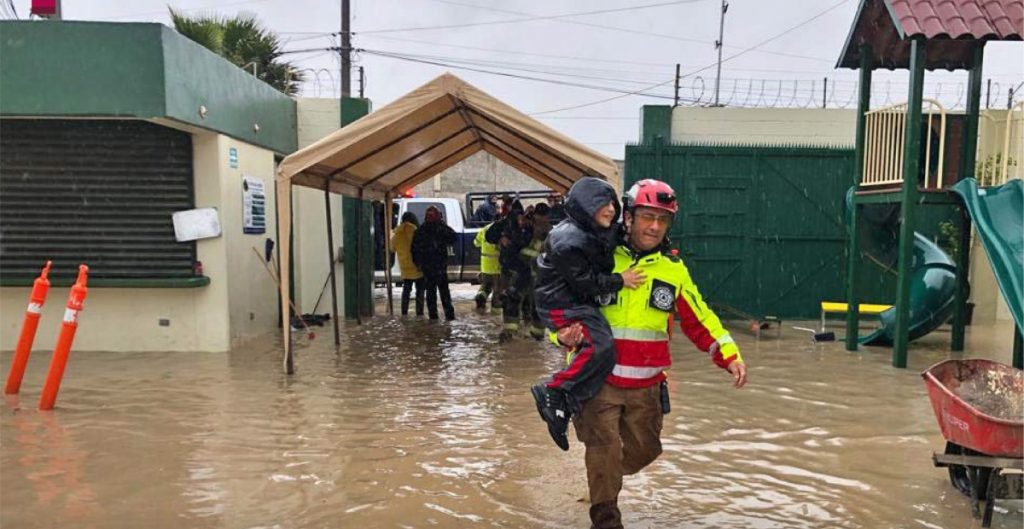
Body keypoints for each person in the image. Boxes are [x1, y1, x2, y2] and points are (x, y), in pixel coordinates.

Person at [555, 179, 748, 529]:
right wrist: (561, 335)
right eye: (647, 216)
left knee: (645, 451)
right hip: (596, 381)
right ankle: (605, 512)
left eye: (663, 219)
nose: (655, 226)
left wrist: (728, 353)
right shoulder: (597, 258)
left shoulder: (672, 270)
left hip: (646, 385)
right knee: (605, 448)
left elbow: (699, 318)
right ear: (627, 217)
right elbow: (560, 303)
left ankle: (604, 477)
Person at [530, 177, 646, 450]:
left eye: (612, 204)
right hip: (562, 303)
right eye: (602, 204)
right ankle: (556, 390)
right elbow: (586, 282)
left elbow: (611, 234)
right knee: (602, 346)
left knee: (603, 348)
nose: (610, 210)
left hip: (574, 301)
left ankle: (564, 401)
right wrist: (621, 279)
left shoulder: (592, 227)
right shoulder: (568, 241)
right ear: (585, 206)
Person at [486, 199, 533, 342]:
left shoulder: (530, 227)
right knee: (510, 299)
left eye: (522, 219)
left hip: (525, 271)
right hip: (510, 269)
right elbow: (490, 235)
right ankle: (512, 333)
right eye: (518, 219)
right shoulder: (506, 224)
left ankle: (525, 331)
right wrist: (501, 238)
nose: (521, 222)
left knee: (526, 302)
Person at [411, 206, 456, 321]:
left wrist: (418, 263)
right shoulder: (440, 228)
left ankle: (433, 317)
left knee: (431, 292)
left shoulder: (421, 231)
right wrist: (442, 224)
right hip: (439, 266)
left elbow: (414, 249)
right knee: (444, 292)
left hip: (428, 267)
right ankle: (449, 316)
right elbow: (454, 238)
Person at [390, 212, 424, 316]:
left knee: (406, 290)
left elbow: (392, 248)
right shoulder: (416, 231)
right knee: (420, 291)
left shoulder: (397, 233)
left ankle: (404, 313)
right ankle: (419, 313)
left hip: (405, 266)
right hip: (417, 265)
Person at [474, 219, 502, 311]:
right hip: (497, 267)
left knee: (485, 286)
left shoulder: (484, 229)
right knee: (497, 291)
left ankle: (480, 297)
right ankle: (495, 311)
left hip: (485, 266)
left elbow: (476, 243)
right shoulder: (503, 230)